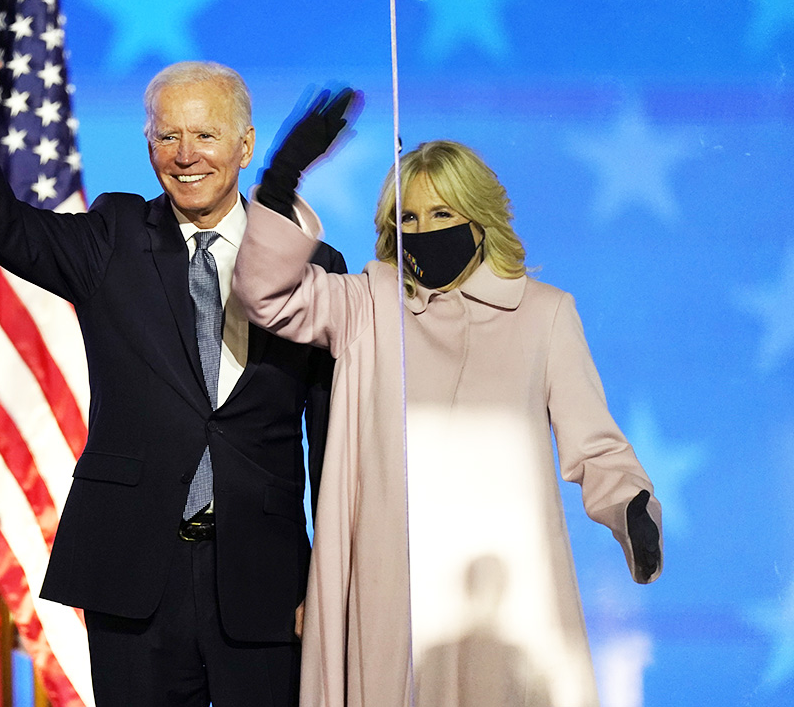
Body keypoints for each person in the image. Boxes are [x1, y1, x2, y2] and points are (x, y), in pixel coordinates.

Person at [0, 31, 347, 707]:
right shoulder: (111, 236)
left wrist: (328, 580)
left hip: (266, 577)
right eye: (166, 136)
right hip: (133, 571)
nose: (184, 156)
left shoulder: (315, 271)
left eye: (204, 135)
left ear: (245, 144)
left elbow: (331, 442)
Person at [233, 106, 664, 707]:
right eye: (409, 216)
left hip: (503, 583)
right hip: (392, 577)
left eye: (442, 212)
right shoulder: (368, 302)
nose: (425, 227)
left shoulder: (544, 314)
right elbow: (266, 296)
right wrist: (279, 187)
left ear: (479, 218)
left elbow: (594, 443)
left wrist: (631, 507)